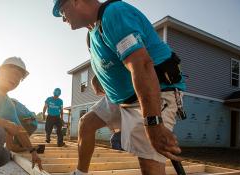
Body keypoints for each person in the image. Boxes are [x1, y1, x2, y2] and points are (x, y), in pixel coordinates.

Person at [52, 0, 186, 174]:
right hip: (122, 98)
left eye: (62, 11)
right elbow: (112, 61)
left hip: (154, 90)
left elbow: (142, 65)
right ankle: (80, 173)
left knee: (149, 159)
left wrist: (153, 123)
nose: (63, 19)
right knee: (86, 124)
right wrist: (99, 79)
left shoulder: (114, 14)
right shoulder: (91, 36)